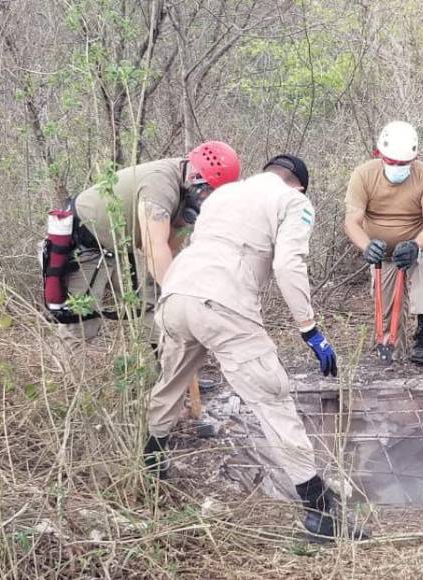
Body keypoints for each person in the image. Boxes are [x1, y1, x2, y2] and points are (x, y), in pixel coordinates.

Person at [143, 155, 368, 542]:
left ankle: (149, 472)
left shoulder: (222, 195)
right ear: (299, 184)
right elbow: (288, 266)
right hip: (224, 304)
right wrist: (310, 329)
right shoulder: (293, 201)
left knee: (170, 384)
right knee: (273, 399)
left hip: (176, 296)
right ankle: (320, 513)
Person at [55, 142, 240, 346]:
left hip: (124, 242)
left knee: (152, 303)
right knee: (81, 321)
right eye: (210, 192)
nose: (211, 199)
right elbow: (153, 247)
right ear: (196, 178)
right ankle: (68, 365)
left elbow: (170, 247)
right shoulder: (159, 186)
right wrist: (178, 294)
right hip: (86, 239)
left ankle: (166, 361)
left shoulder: (190, 194)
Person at [343, 121, 423, 364]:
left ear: (415, 158)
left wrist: (415, 246)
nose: (397, 167)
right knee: (387, 319)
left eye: (403, 163)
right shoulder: (363, 175)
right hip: (382, 253)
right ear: (378, 154)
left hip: (417, 245)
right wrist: (367, 246)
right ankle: (390, 358)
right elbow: (351, 222)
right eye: (391, 162)